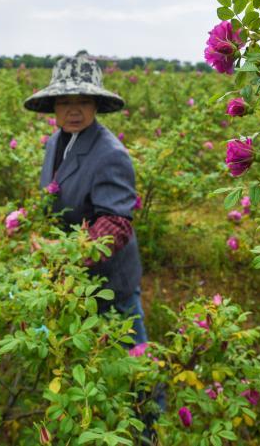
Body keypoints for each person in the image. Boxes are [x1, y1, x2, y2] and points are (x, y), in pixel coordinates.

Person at [24, 51, 167, 437]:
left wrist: (67, 254)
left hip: (109, 279)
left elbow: (115, 222)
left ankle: (148, 431)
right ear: (53, 106)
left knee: (135, 359)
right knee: (87, 355)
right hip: (73, 278)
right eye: (66, 101)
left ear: (96, 105)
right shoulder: (58, 141)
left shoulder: (109, 154)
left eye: (83, 101)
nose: (74, 110)